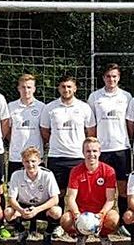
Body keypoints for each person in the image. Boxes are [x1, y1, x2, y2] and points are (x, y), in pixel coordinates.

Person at [40, 74, 96, 203]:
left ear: (75, 88)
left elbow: (91, 132)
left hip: (78, 156)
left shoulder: (84, 107)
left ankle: (79, 216)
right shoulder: (50, 108)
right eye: (63, 87)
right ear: (59, 88)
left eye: (69, 87)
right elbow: (44, 131)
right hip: (56, 157)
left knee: (80, 193)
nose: (66, 90)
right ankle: (57, 217)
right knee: (57, 193)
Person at [59, 137, 120, 245]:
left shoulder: (108, 171)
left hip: (99, 211)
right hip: (82, 211)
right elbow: (71, 198)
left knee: (114, 219)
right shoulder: (75, 171)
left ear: (100, 152)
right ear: (83, 153)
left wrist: (101, 214)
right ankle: (81, 234)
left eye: (94, 151)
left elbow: (110, 199)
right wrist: (77, 215)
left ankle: (103, 235)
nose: (91, 154)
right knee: (65, 220)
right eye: (88, 151)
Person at [87, 63, 132, 208]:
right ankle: (99, 216)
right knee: (100, 183)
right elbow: (91, 123)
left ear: (119, 78)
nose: (111, 79)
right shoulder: (94, 97)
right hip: (102, 148)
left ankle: (123, 217)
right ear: (103, 78)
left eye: (114, 76)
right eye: (108, 76)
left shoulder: (126, 96)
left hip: (121, 147)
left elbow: (130, 122)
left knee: (122, 185)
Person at [5, 146, 62, 245]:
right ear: (22, 162)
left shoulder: (47, 175)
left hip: (42, 207)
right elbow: (11, 199)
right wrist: (21, 210)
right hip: (24, 207)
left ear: (39, 161)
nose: (30, 165)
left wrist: (37, 210)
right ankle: (22, 232)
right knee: (8, 212)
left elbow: (55, 199)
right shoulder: (16, 175)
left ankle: (47, 234)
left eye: (33, 161)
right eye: (27, 161)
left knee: (57, 211)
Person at [6, 73, 45, 180]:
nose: (26, 90)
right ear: (18, 88)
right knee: (14, 187)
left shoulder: (42, 107)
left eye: (29, 87)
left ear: (34, 89)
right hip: (16, 157)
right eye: (23, 87)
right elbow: (7, 130)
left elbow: (44, 131)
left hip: (35, 158)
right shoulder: (11, 106)